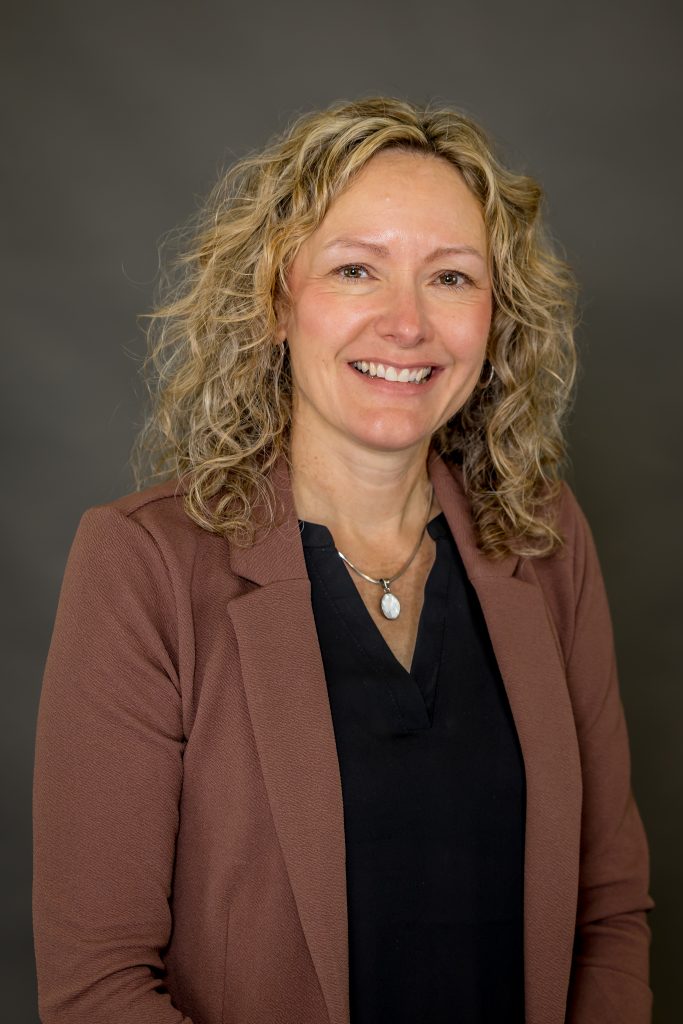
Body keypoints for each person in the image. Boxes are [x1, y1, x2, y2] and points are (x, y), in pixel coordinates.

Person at [32, 96, 654, 1024]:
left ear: (496, 316)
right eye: (356, 269)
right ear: (276, 304)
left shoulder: (543, 541)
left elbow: (607, 914)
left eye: (450, 279)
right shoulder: (143, 566)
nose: (405, 324)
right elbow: (98, 990)